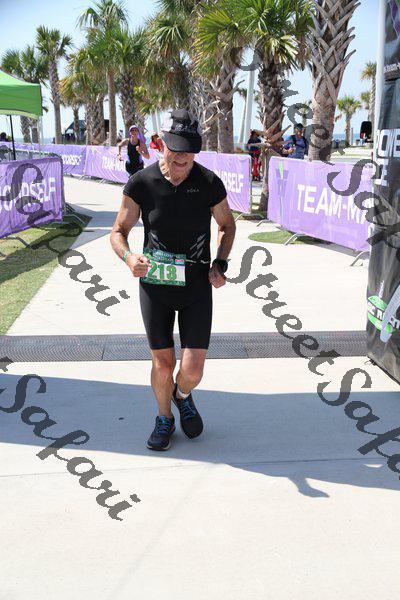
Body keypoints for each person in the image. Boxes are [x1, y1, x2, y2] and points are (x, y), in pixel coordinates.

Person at [111, 109, 236, 451]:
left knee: (192, 371)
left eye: (190, 151)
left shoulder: (209, 183)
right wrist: (129, 257)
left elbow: (227, 225)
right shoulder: (141, 183)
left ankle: (182, 395)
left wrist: (220, 262)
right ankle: (164, 417)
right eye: (176, 149)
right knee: (163, 364)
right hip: (155, 286)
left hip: (196, 286)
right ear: (161, 144)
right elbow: (118, 231)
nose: (182, 157)